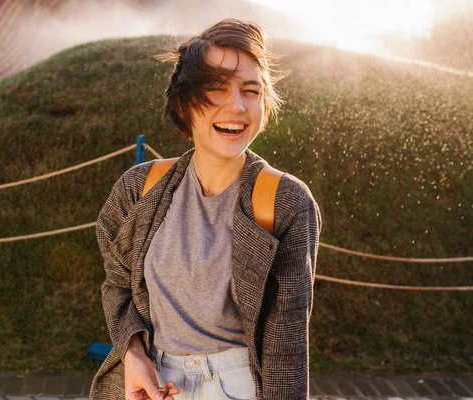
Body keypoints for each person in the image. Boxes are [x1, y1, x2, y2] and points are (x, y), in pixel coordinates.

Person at [89, 18, 322, 400]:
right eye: (216, 89)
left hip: (238, 387)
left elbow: (286, 344)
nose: (237, 106)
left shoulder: (286, 201)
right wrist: (132, 351)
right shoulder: (140, 188)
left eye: (251, 91)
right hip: (153, 384)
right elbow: (117, 282)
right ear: (183, 102)